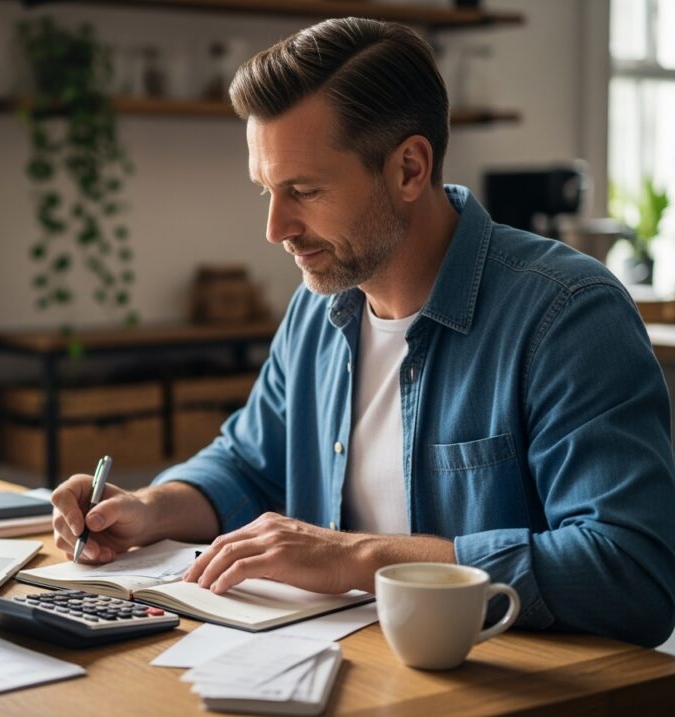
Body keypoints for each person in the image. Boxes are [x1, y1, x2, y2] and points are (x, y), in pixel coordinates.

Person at [50, 17, 675, 646]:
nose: (275, 228)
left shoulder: (567, 315)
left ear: (408, 168)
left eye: (303, 190)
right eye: (266, 190)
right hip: (342, 666)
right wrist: (152, 509)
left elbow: (633, 571)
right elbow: (248, 464)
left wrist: (359, 558)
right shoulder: (317, 309)